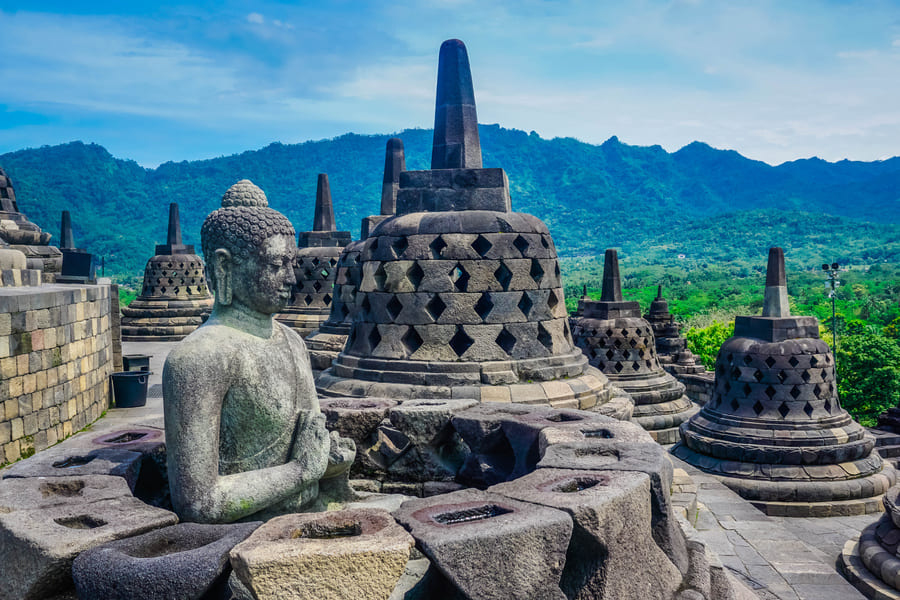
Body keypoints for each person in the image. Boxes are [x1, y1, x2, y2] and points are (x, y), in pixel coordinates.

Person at [163, 180, 353, 523]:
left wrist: (329, 458)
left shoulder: (294, 342)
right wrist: (300, 472)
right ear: (225, 267)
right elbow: (199, 502)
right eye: (276, 264)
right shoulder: (198, 359)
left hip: (307, 519)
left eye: (291, 264)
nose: (291, 278)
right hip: (240, 539)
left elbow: (311, 440)